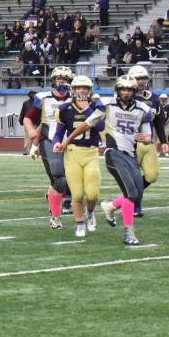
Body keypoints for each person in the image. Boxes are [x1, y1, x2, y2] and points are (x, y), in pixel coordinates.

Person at [60, 77, 166, 246]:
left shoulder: (143, 109)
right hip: (114, 153)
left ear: (134, 91)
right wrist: (67, 140)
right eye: (123, 89)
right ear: (117, 90)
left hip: (131, 154)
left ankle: (110, 206)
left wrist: (148, 139)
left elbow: (146, 136)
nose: (126, 92)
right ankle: (129, 233)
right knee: (131, 193)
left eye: (129, 89)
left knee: (136, 195)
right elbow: (88, 123)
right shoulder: (106, 104)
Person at [52, 76, 104, 237]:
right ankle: (80, 223)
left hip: (91, 152)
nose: (82, 91)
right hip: (73, 153)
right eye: (79, 88)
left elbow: (100, 126)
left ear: (90, 91)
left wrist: (87, 108)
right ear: (73, 90)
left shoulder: (97, 106)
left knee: (93, 193)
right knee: (77, 194)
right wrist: (56, 143)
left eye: (85, 88)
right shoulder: (64, 108)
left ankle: (90, 212)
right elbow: (58, 133)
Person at [26, 66, 73, 229]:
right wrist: (33, 138)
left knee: (70, 181)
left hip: (71, 143)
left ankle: (53, 196)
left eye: (65, 79)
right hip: (49, 142)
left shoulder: (74, 99)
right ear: (53, 80)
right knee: (60, 179)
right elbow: (28, 118)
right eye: (58, 79)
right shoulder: (43, 97)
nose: (61, 82)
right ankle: (55, 216)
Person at [127, 64, 168, 216]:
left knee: (152, 175)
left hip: (148, 142)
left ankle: (127, 195)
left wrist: (163, 141)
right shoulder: (125, 97)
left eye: (143, 78)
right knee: (135, 176)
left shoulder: (154, 98)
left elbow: (158, 121)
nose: (141, 81)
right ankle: (135, 206)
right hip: (131, 143)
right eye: (138, 78)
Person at [18, 90, 38, 154]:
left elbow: (22, 113)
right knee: (29, 137)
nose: (33, 95)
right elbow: (23, 113)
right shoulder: (26, 103)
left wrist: (21, 121)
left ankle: (31, 151)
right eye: (32, 94)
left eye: (34, 94)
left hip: (35, 123)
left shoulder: (27, 102)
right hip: (31, 122)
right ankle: (29, 151)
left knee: (30, 137)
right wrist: (21, 121)